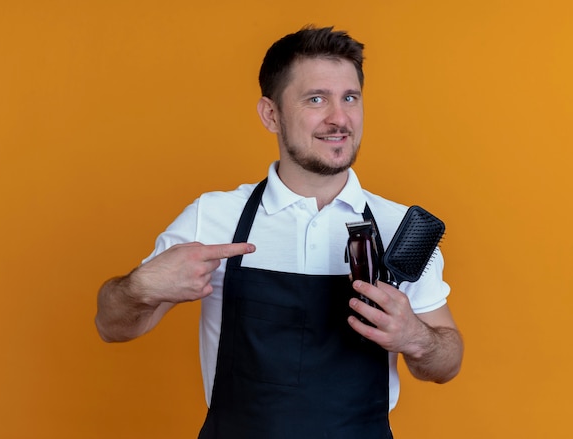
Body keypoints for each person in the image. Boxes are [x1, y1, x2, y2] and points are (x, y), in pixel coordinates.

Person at [95, 25, 463, 438]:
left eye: (350, 98)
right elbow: (112, 326)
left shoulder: (400, 229)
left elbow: (446, 363)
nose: (339, 118)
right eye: (316, 99)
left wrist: (417, 338)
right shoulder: (214, 218)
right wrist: (140, 287)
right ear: (271, 115)